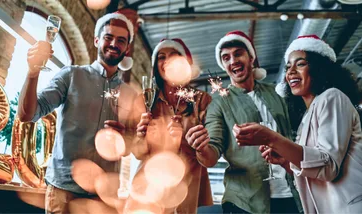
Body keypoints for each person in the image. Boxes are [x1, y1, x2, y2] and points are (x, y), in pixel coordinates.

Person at [17, 11, 138, 213]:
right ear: (97, 40)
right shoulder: (71, 75)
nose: (114, 44)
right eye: (108, 37)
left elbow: (132, 147)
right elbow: (27, 114)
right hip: (63, 192)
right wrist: (33, 72)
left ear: (127, 49)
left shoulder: (131, 95)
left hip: (105, 197)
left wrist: (126, 139)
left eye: (121, 40)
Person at [234, 35, 362, 213]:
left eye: (300, 64)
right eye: (288, 67)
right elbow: (314, 173)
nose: (291, 72)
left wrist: (272, 139)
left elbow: (328, 167)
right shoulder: (306, 118)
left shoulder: (332, 97)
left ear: (319, 68)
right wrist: (286, 162)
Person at [196, 30, 302, 213]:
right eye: (226, 58)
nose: (233, 61)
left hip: (291, 195)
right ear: (223, 65)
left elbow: (298, 135)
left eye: (238, 54)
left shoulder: (278, 93)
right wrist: (201, 147)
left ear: (251, 58)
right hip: (245, 201)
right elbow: (211, 155)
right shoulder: (219, 103)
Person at [132, 38, 213, 213]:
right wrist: (141, 137)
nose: (167, 61)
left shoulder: (202, 100)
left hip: (189, 188)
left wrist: (184, 139)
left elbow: (211, 153)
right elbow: (137, 153)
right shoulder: (145, 101)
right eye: (161, 57)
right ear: (156, 66)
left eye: (174, 55)